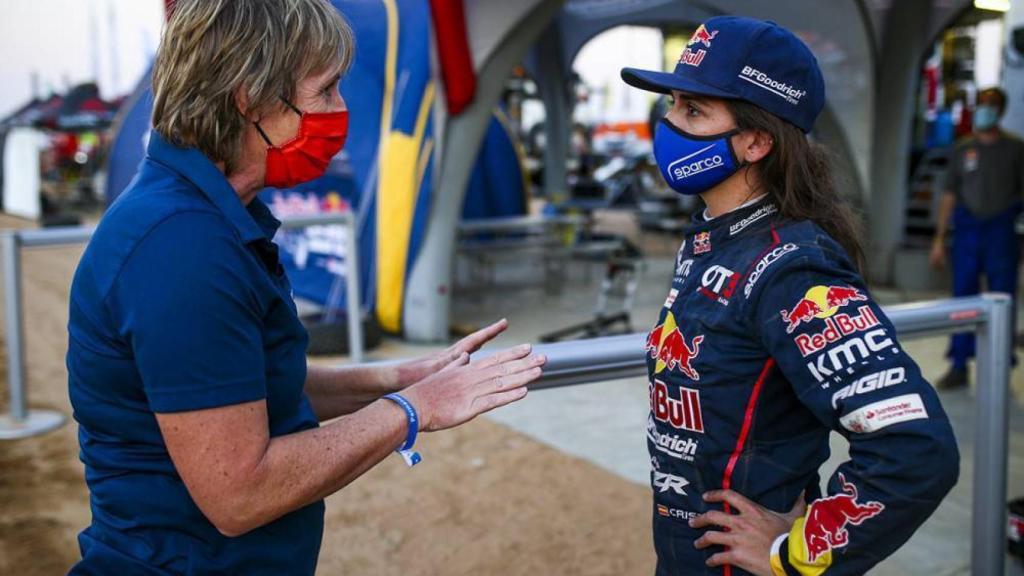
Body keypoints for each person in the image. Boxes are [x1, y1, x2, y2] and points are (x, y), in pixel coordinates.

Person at [65, 1, 545, 574]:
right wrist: (414, 409)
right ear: (250, 96)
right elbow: (241, 494)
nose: (342, 112)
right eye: (326, 91)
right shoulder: (181, 246)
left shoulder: (207, 215)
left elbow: (244, 388)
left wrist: (395, 377)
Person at [621, 16, 960, 575]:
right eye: (674, 103)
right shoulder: (714, 238)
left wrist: (792, 554)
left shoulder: (792, 267)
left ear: (756, 141)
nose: (668, 123)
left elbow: (915, 449)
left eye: (694, 110)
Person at [930, 87, 1024, 388]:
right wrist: (939, 239)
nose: (985, 110)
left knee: (1003, 298)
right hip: (968, 230)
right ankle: (959, 363)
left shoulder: (1015, 150)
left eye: (991, 105)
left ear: (1001, 109)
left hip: (1001, 231)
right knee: (963, 299)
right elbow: (949, 195)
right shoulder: (962, 148)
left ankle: (1000, 364)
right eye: (982, 105)